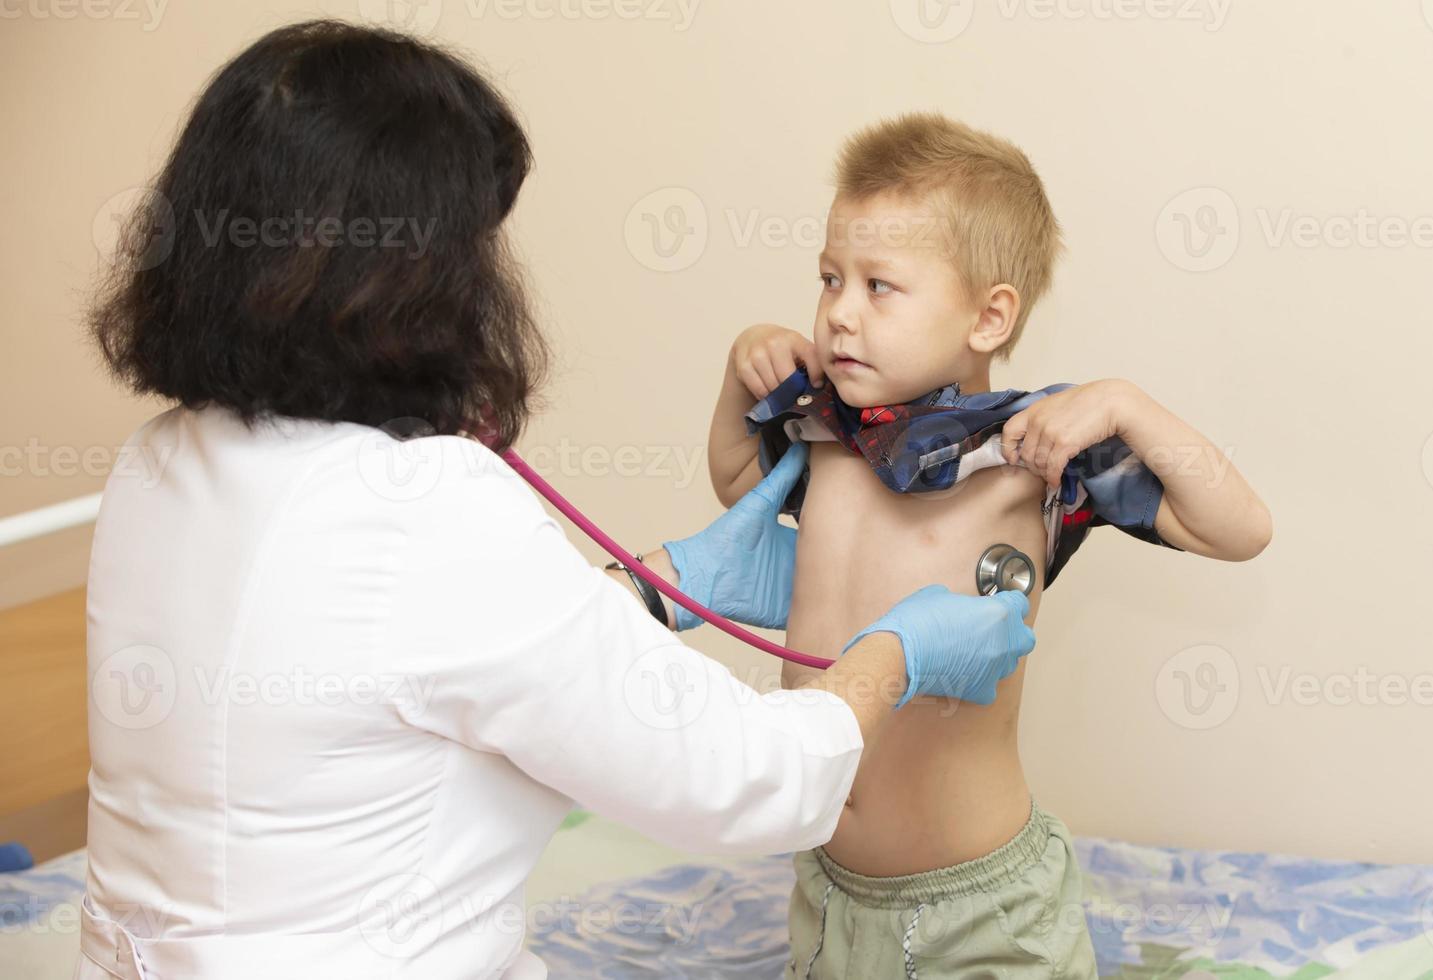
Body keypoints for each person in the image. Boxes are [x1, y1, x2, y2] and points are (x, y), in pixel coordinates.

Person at [74, 24, 1037, 980]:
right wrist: (892, 654)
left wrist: (654, 587)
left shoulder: (154, 467)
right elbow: (749, 778)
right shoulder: (424, 509)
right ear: (402, 271)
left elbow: (415, 662)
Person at [705, 113, 1273, 978]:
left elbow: (1238, 528)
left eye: (878, 286)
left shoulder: (1032, 451)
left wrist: (1123, 405)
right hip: (827, 896)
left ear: (988, 316)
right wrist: (738, 369)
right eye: (829, 279)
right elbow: (737, 483)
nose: (838, 315)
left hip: (981, 911)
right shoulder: (826, 427)